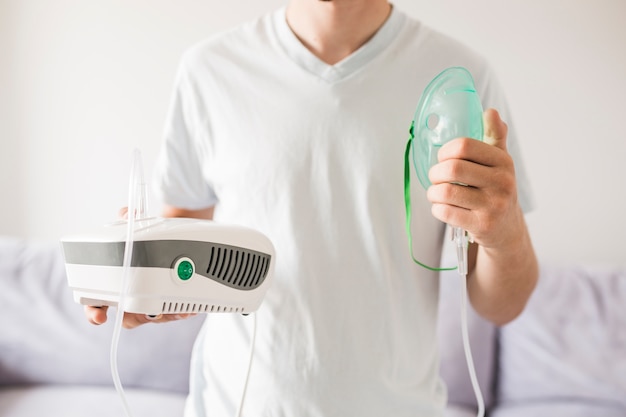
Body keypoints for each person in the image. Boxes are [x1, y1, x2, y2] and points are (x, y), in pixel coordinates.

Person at [86, 0, 538, 416]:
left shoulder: (461, 77)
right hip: (238, 404)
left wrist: (505, 233)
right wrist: (140, 283)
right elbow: (183, 246)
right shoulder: (209, 70)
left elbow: (501, 306)